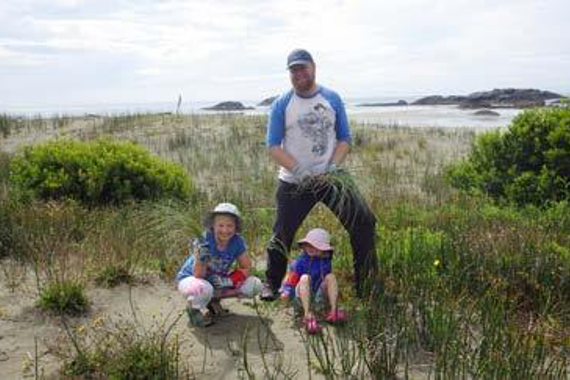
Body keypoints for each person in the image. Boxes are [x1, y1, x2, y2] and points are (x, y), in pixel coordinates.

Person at [261, 48, 378, 301]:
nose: (298, 73)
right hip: (295, 181)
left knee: (365, 222)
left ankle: (368, 289)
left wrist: (332, 168)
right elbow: (272, 145)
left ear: (313, 67)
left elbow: (345, 139)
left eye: (302, 67)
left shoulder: (332, 98)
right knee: (282, 234)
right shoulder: (282, 104)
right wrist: (300, 171)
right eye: (293, 69)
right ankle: (271, 283)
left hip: (331, 178)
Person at [177, 202, 262, 327]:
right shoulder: (204, 239)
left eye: (230, 226)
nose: (225, 230)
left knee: (254, 285)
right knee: (203, 289)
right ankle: (193, 310)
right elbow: (198, 274)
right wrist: (201, 258)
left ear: (236, 227)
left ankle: (213, 302)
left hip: (216, 281)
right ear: (213, 226)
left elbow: (247, 267)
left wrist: (230, 280)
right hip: (193, 280)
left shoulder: (237, 241)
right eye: (220, 225)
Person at [280, 228, 348, 334]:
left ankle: (333, 310)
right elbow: (291, 278)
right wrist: (287, 290)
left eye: (316, 246)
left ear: (324, 249)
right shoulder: (300, 262)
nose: (311, 248)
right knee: (305, 277)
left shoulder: (326, 262)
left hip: (318, 297)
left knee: (331, 276)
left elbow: (328, 283)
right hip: (302, 297)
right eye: (309, 245)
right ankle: (307, 314)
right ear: (304, 246)